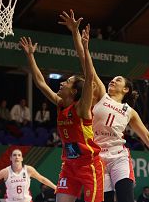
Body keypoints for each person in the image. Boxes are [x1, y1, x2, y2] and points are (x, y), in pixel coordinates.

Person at [59, 9, 149, 202]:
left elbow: (148, 139)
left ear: (126, 89)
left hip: (118, 157)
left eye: (117, 81)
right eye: (112, 80)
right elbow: (87, 66)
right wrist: (77, 36)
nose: (112, 82)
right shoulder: (101, 96)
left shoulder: (129, 112)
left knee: (125, 198)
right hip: (97, 158)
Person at [19, 30, 103, 202]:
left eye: (67, 82)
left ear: (73, 91)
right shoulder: (60, 104)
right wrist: (30, 57)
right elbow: (41, 83)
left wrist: (85, 49)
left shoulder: (82, 108)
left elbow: (90, 79)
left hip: (90, 166)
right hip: (69, 166)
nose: (61, 83)